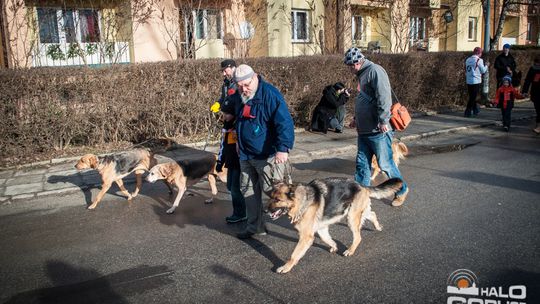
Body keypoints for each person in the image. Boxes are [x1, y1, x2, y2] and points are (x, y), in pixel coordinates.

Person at [233, 64, 295, 239]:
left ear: (255, 77)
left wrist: (283, 148)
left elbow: (284, 123)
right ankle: (255, 227)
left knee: (274, 191)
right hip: (246, 154)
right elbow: (241, 120)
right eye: (240, 86)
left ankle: (300, 214)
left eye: (247, 85)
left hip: (268, 155)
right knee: (248, 191)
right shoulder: (241, 95)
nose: (244, 89)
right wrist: (239, 140)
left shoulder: (270, 94)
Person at [343, 47, 408, 207]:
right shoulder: (363, 74)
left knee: (386, 164)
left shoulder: (375, 71)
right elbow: (365, 100)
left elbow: (384, 97)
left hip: (378, 130)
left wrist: (384, 120)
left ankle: (402, 190)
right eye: (349, 65)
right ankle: (360, 197)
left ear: (359, 61)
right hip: (364, 130)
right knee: (362, 165)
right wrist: (357, 119)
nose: (350, 69)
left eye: (352, 65)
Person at [216, 98, 246, 223]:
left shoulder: (237, 127)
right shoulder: (226, 128)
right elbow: (223, 146)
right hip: (230, 162)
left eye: (228, 113)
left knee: (235, 188)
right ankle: (242, 210)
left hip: (239, 162)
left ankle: (240, 213)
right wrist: (219, 162)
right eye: (224, 113)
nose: (225, 116)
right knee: (230, 187)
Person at [465, 47, 489, 117]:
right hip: (476, 80)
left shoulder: (468, 59)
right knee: (472, 97)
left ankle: (475, 110)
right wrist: (487, 65)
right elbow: (483, 70)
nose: (481, 54)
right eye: (481, 53)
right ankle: (467, 111)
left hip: (469, 80)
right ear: (479, 53)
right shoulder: (479, 60)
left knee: (472, 96)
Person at [521, 56, 540, 134]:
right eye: (536, 64)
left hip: (536, 92)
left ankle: (539, 126)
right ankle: (538, 125)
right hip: (536, 92)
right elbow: (528, 80)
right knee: (538, 110)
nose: (537, 65)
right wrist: (525, 91)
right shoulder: (532, 69)